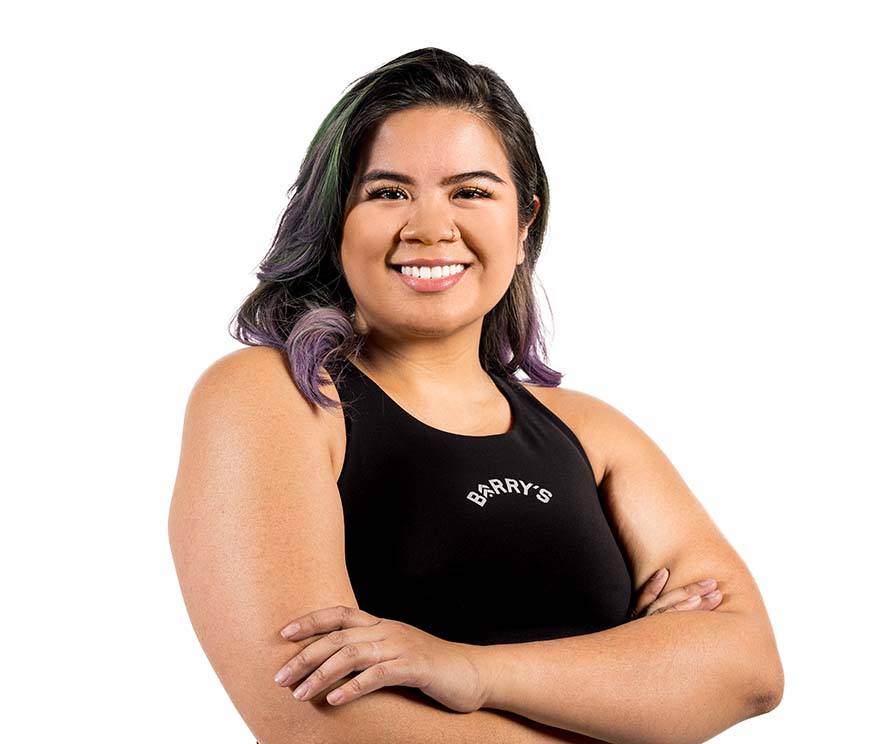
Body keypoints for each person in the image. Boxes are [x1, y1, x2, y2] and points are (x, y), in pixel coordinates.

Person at [169, 47, 782, 744]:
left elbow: (749, 669)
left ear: (524, 223)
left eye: (471, 191)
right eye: (387, 192)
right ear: (335, 221)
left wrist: (467, 671)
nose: (430, 227)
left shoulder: (592, 433)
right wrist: (641, 697)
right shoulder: (276, 397)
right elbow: (320, 724)